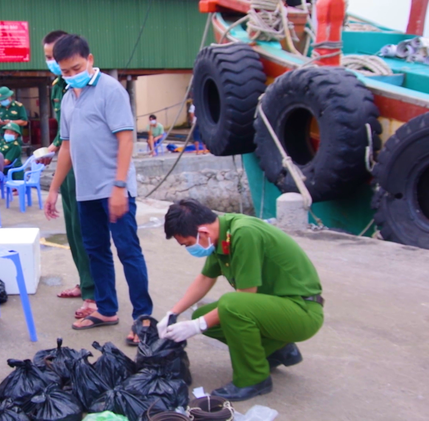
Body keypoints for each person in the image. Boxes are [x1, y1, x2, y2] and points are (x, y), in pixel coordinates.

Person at [45, 34, 152, 344]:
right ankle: (106, 309)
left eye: (76, 68)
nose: (71, 75)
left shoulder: (110, 90)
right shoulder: (67, 97)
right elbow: (66, 147)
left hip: (114, 188)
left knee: (128, 250)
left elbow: (126, 139)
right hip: (86, 191)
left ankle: (143, 317)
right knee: (96, 251)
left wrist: (119, 186)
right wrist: (53, 189)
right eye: (64, 71)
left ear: (90, 60)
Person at [159, 199, 324, 401]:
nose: (189, 249)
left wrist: (196, 326)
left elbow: (245, 296)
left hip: (303, 311)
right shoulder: (221, 235)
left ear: (203, 233)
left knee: (231, 306)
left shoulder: (244, 233)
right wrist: (172, 314)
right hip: (277, 306)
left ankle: (253, 379)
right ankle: (279, 349)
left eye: (188, 244)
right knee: (204, 314)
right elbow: (205, 278)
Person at [41, 30, 96, 320]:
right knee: (74, 232)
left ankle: (93, 292)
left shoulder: (88, 85)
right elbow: (66, 134)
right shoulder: (58, 86)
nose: (52, 62)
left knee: (87, 232)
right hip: (68, 165)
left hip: (87, 167)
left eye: (55, 57)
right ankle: (84, 281)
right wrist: (52, 148)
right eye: (48, 57)